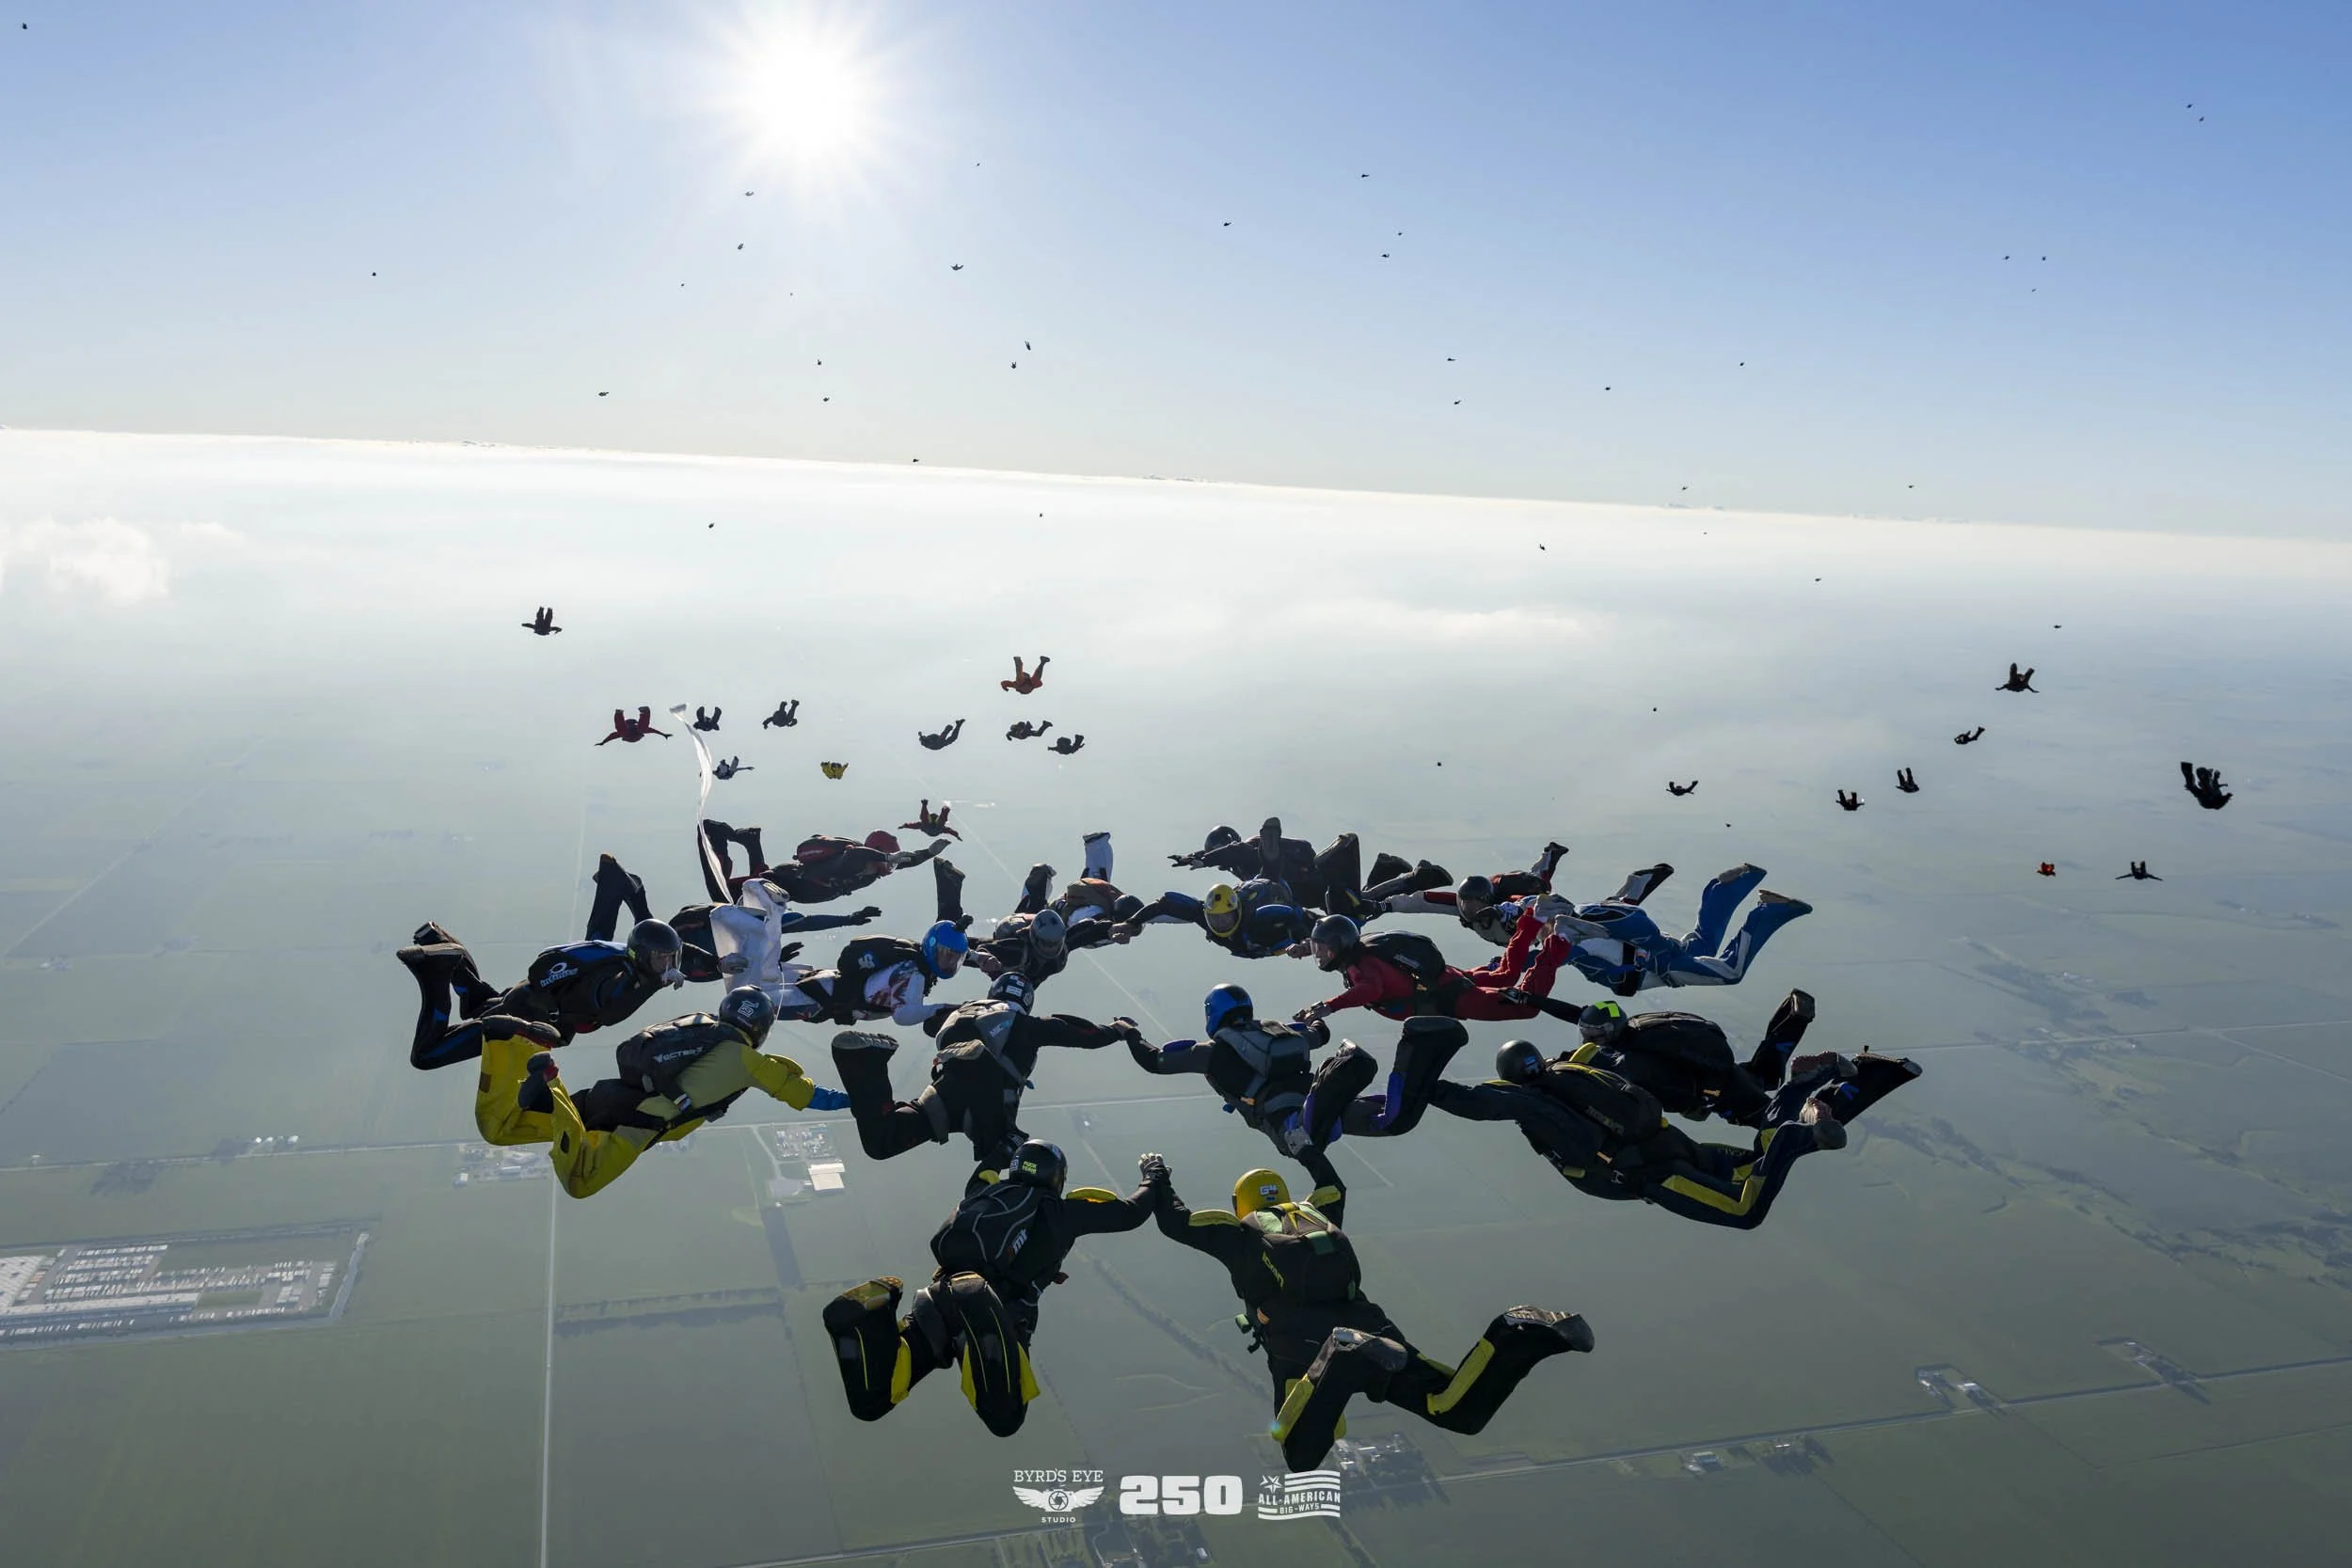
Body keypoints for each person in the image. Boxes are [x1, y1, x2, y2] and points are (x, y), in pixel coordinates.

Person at [1140, 1152, 1592, 1471]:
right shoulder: (1316, 1213)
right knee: (1453, 1410)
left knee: (1299, 1452)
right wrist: (1304, 1148)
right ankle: (1518, 1333)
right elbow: (1333, 1184)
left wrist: (1156, 1174)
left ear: (1241, 1205)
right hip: (1371, 1325)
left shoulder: (1237, 1232)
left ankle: (1343, 1355)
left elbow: (1174, 1220)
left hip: (1305, 1343)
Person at [822, 1140, 1152, 1435]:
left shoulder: (982, 1191)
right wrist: (1155, 1177)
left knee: (873, 1402)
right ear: (1057, 1178)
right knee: (1005, 1419)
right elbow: (1131, 1214)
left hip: (936, 1298)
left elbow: (990, 1164)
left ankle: (866, 1318)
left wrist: (1009, 1140)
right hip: (990, 1304)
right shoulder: (1063, 1211)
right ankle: (977, 1309)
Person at [1424, 1038, 1920, 1231]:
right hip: (1677, 1143)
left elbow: (1486, 1102)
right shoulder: (1575, 1065)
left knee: (1745, 1210)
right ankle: (1806, 1085)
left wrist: (1424, 1087)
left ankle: (1799, 1137)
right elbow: (1613, 1044)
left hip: (1655, 1173)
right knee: (1755, 1160)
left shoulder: (1531, 1098)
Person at [487, 987, 849, 1199]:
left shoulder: (700, 1029)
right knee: (580, 1180)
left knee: (502, 1127)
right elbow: (807, 1096)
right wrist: (854, 1100)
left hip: (611, 1093)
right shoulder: (752, 1061)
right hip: (636, 1124)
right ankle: (550, 1081)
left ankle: (508, 1043)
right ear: (761, 1028)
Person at [829, 974, 1141, 1165]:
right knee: (1005, 1144)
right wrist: (1118, 1029)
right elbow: (1082, 1037)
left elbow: (931, 1026)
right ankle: (977, 1060)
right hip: (986, 1091)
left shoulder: (967, 1009)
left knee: (882, 1142)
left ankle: (865, 1062)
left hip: (945, 1094)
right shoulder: (1023, 1023)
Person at [1127, 984, 1461, 1158]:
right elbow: (1320, 1034)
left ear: (1212, 1014)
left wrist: (1126, 1032)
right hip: (1321, 1102)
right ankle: (1419, 1047)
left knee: (1304, 1140)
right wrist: (1312, 1018)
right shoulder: (1276, 1031)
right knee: (1391, 1121)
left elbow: (1154, 1061)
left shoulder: (1210, 1053)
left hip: (1293, 1122)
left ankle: (1345, 1065)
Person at [397, 917, 688, 1071]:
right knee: (426, 1056)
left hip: (525, 999)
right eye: (662, 958)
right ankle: (435, 971)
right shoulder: (619, 982)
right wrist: (654, 984)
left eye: (671, 958)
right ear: (643, 955)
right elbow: (611, 1014)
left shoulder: (620, 960)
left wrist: (721, 963)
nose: (668, 965)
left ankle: (440, 943)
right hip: (521, 1020)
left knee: (474, 1006)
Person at [1531, 864, 1812, 995]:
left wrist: (1504, 968)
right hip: (1660, 950)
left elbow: (1541, 962)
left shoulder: (1568, 940)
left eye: (1538, 933)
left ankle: (1770, 912)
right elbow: (1626, 901)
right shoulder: (1587, 915)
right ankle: (1726, 889)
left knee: (1731, 973)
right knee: (1703, 944)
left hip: (1662, 968)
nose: (1539, 940)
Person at [1562, 993, 1816, 1127]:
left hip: (1727, 1090)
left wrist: (1708, 1098)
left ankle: (1818, 1093)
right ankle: (1795, 1016)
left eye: (1595, 1035)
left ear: (1611, 1029)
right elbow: (1577, 1015)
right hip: (1727, 1080)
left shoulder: (1647, 1042)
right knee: (1764, 1076)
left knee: (1777, 1124)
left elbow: (1718, 1061)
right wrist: (1530, 999)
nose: (1590, 1041)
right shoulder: (1634, 1029)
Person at [1295, 911, 1571, 1026]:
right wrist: (1304, 946)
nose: (1321, 954)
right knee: (1506, 975)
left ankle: (1561, 940)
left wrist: (1330, 1006)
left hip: (1451, 997)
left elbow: (1371, 989)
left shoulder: (1361, 966)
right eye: (1318, 948)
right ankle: (1533, 919)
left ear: (1341, 945)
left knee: (1527, 1007)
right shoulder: (1361, 949)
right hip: (1446, 979)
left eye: (1324, 948)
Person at [1372, 842, 1570, 947]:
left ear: (1485, 901)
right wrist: (1383, 906)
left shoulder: (1505, 906)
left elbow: (1527, 903)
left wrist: (1503, 911)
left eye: (1473, 905)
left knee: (1540, 884)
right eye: (1464, 903)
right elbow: (1421, 902)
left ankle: (1550, 854)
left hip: (1527, 919)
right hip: (1510, 938)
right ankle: (1549, 854)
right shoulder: (1461, 906)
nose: (1468, 909)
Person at [778, 922, 971, 1028]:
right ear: (931, 946)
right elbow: (903, 1016)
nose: (949, 962)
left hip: (823, 985)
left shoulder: (912, 963)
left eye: (955, 958)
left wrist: (979, 958)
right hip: (817, 997)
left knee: (755, 988)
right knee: (755, 1009)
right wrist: (946, 1009)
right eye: (945, 954)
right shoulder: (914, 972)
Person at [1122, 878, 1318, 959]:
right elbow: (1166, 903)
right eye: (1215, 919)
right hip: (1264, 946)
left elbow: (1291, 913)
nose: (1221, 924)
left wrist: (1303, 941)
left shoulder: (1257, 918)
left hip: (1287, 918)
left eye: (1226, 918)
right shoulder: (1203, 914)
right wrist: (1131, 923)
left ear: (1237, 912)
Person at [596, 705, 670, 745]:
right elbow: (654, 731)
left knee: (622, 731)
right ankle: (645, 712)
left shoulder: (635, 728)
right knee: (641, 729)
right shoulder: (637, 728)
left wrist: (603, 742)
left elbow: (611, 736)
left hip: (631, 735)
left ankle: (619, 714)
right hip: (631, 735)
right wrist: (663, 734)